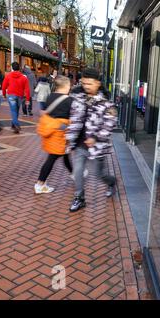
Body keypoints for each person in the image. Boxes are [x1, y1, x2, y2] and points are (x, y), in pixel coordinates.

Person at [66, 68, 117, 212]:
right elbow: (74, 119)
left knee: (100, 175)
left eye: (90, 83)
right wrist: (70, 139)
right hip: (80, 144)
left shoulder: (107, 104)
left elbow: (109, 124)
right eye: (84, 83)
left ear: (98, 83)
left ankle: (111, 182)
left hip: (97, 147)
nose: (86, 86)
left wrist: (95, 137)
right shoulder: (78, 98)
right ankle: (79, 198)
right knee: (77, 171)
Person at [34, 76, 74, 194]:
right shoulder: (68, 100)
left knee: (63, 154)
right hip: (60, 134)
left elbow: (47, 112)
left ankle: (74, 174)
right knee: (52, 158)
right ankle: (40, 184)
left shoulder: (50, 97)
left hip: (50, 132)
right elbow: (72, 117)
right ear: (66, 86)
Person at [1, 62, 30, 134]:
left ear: (12, 68)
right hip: (20, 96)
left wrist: (4, 94)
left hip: (11, 95)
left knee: (14, 111)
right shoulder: (24, 77)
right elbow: (27, 89)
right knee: (16, 111)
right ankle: (13, 125)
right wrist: (27, 99)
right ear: (19, 68)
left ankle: (16, 124)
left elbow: (4, 86)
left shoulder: (8, 76)